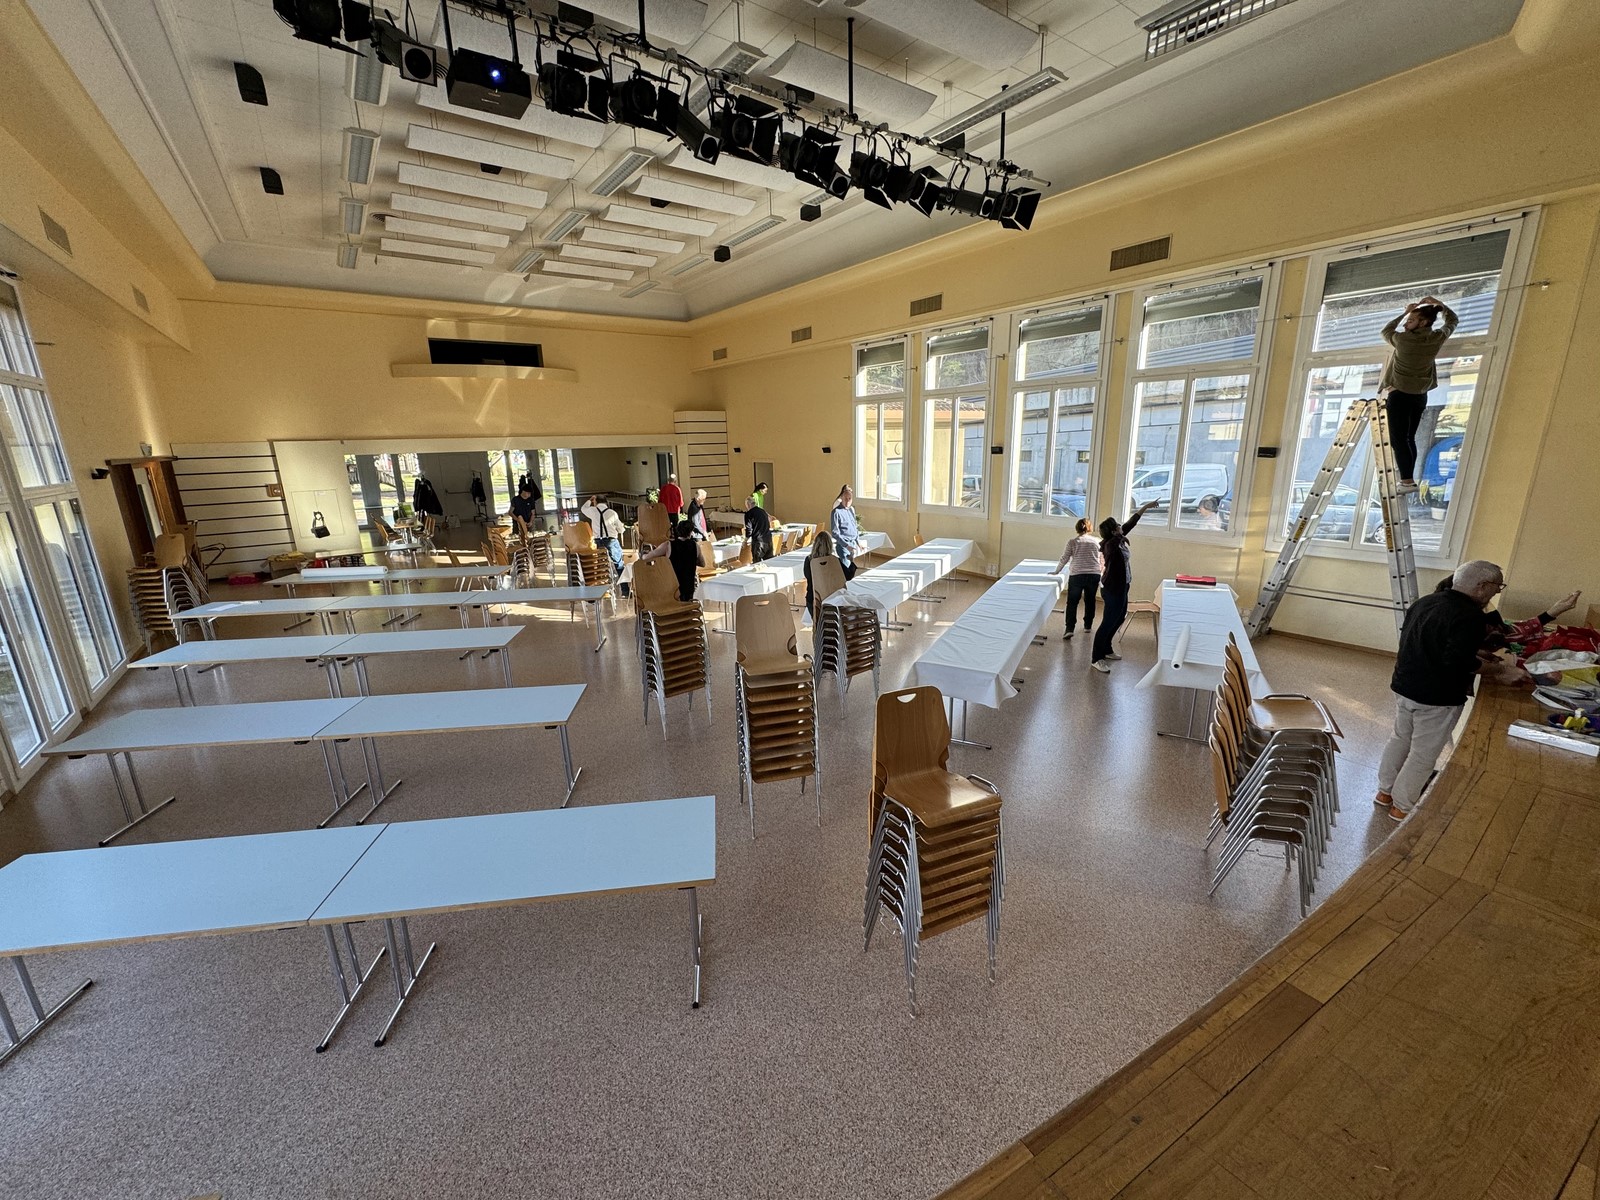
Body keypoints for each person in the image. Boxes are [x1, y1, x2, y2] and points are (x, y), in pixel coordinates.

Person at [1377, 560, 1529, 821]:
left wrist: (1476, 653)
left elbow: (1432, 643)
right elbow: (1458, 662)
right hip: (1436, 696)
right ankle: (1402, 807)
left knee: (1400, 738)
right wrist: (1501, 671)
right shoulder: (1469, 616)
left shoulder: (1426, 602)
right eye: (1498, 586)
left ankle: (1384, 793)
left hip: (1404, 685)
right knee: (1423, 753)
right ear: (1482, 586)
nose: (1497, 592)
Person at [1379, 295, 1459, 492]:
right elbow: (1452, 321)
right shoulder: (1436, 338)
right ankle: (1409, 480)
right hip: (1419, 397)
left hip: (1399, 395)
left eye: (1411, 321)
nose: (1406, 324)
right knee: (1409, 438)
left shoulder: (1403, 340)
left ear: (1423, 322)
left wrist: (1405, 311)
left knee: (1398, 439)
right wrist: (1440, 305)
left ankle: (1406, 481)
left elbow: (1386, 330)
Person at [1091, 500, 1160, 673]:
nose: (1121, 526)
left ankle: (1107, 648)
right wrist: (1120, 536)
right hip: (1112, 589)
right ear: (1113, 531)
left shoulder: (1117, 539)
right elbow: (1116, 540)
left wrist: (1146, 507)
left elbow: (1131, 523)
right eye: (1117, 526)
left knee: (1119, 618)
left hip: (1123, 586)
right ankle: (1096, 658)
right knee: (1108, 622)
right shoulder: (1110, 545)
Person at [1054, 518, 1104, 641]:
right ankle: (1088, 626)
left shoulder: (1073, 542)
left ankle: (1069, 628)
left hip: (1077, 575)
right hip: (1093, 574)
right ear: (1090, 528)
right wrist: (1101, 573)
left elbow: (1065, 558)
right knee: (1090, 600)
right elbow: (1102, 559)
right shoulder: (1097, 541)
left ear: (1077, 528)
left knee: (1072, 602)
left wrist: (1057, 571)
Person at [636, 517, 701, 602]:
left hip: (671, 587)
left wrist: (642, 554)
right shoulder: (695, 545)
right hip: (688, 588)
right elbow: (702, 563)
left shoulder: (668, 545)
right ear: (691, 532)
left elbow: (646, 557)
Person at [828, 485, 868, 581]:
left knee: (851, 570)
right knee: (846, 571)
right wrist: (846, 545)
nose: (847, 501)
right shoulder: (836, 512)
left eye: (849, 499)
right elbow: (835, 533)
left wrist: (858, 542)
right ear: (841, 498)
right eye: (845, 498)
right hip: (844, 545)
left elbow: (854, 527)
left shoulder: (851, 510)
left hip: (852, 544)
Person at [579, 493, 625, 575]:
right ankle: (623, 582)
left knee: (602, 563)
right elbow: (621, 529)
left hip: (599, 541)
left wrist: (590, 500)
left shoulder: (593, 511)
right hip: (611, 540)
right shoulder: (612, 513)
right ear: (606, 502)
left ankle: (604, 579)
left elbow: (583, 508)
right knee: (618, 563)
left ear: (595, 502)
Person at [803, 530, 835, 617]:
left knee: (818, 621)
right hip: (831, 598)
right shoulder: (834, 561)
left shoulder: (809, 560)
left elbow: (807, 576)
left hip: (813, 598)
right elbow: (847, 576)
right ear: (830, 545)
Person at [744, 492, 774, 562]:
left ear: (748, 504)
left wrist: (745, 541)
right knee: (769, 562)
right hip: (768, 539)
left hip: (758, 542)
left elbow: (749, 530)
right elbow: (768, 523)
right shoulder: (763, 511)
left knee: (757, 563)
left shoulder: (748, 514)